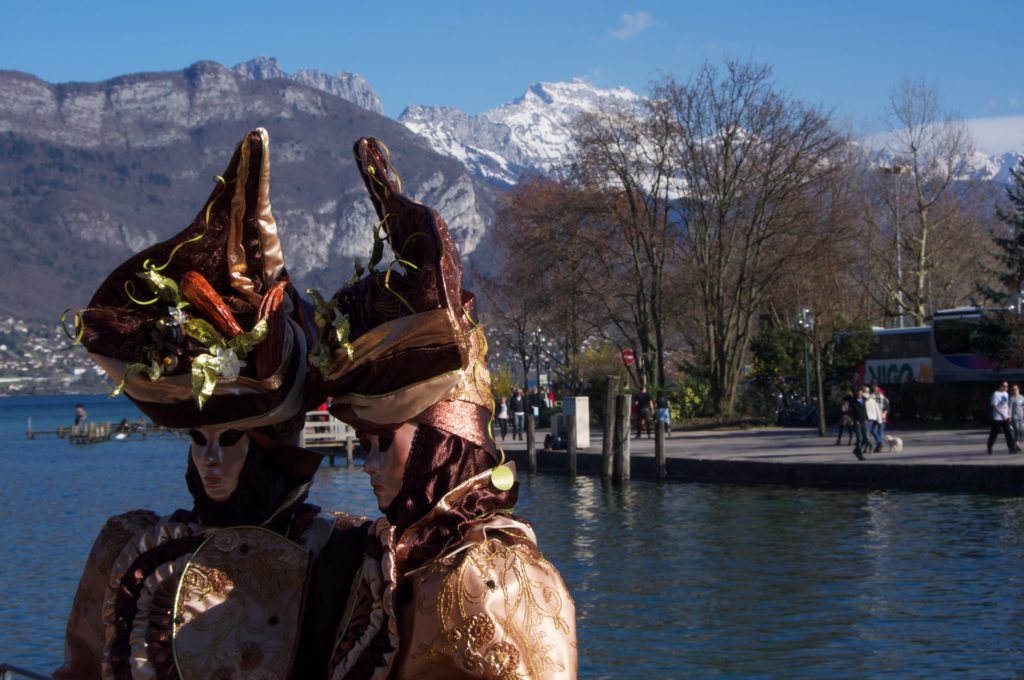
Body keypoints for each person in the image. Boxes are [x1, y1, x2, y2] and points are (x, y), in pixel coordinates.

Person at [55, 129, 368, 679]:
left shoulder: (342, 554)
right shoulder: (131, 547)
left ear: (271, 447)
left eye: (230, 440)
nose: (209, 460)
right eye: (198, 441)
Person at [318, 137, 577, 678]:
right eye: (365, 444)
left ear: (442, 439)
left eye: (383, 441)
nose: (367, 465)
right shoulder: (401, 556)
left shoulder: (497, 576)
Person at [987, 380, 1017, 454]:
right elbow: (994, 406)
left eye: (1007, 386)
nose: (1006, 387)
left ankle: (1012, 448)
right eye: (1005, 386)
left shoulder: (1006, 394)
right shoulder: (996, 394)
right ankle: (990, 447)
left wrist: (1008, 415)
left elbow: (1006, 405)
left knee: (1009, 433)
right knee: (994, 433)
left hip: (1005, 417)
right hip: (997, 417)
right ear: (1001, 386)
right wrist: (1001, 414)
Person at [852, 386, 871, 460]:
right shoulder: (853, 402)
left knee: (866, 438)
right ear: (856, 394)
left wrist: (866, 418)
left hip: (864, 421)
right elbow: (852, 412)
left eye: (861, 393)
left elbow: (864, 410)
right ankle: (859, 454)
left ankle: (856, 450)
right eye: (858, 393)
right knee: (859, 439)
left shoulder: (863, 400)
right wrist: (855, 420)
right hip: (857, 422)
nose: (860, 394)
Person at [865, 386, 884, 453]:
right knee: (878, 430)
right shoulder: (881, 396)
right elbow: (886, 404)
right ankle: (879, 443)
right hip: (879, 414)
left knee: (870, 430)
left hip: (873, 415)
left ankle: (879, 443)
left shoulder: (869, 397)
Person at [1011, 384, 1024, 453]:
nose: (1015, 390)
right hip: (1014, 417)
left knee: (1021, 431)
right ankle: (1017, 445)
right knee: (1016, 431)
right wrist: (1009, 417)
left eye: (1016, 389)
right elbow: (1010, 408)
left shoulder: (1022, 397)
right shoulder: (1012, 398)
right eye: (1013, 389)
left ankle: (1016, 442)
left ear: (1018, 389)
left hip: (1021, 417)